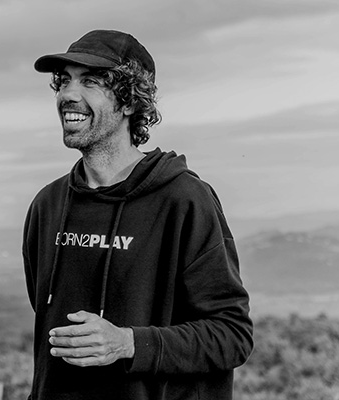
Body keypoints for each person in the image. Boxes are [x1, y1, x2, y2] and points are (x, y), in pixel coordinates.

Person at [22, 29, 253, 400]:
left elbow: (231, 335)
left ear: (129, 101)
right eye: (64, 81)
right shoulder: (47, 206)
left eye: (90, 81)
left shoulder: (184, 200)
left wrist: (128, 343)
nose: (68, 94)